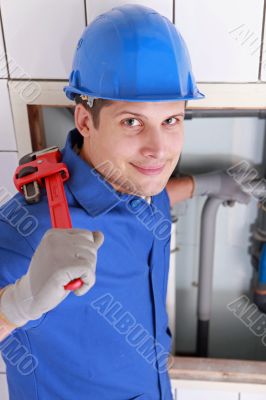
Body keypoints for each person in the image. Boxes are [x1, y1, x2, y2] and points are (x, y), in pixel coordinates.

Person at [0, 4, 250, 400]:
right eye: (132, 122)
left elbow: (149, 202)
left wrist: (207, 183)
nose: (158, 149)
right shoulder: (30, 228)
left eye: (171, 121)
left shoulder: (135, 186)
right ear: (84, 121)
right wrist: (17, 303)